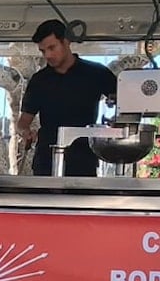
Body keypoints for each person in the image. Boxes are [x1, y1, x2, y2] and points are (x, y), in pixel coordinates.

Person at [17, 19, 119, 177]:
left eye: (52, 48)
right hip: (46, 160)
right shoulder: (39, 80)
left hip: (83, 158)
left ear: (66, 42)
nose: (48, 55)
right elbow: (24, 122)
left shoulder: (96, 73)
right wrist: (25, 132)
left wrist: (116, 122)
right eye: (43, 51)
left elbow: (123, 101)